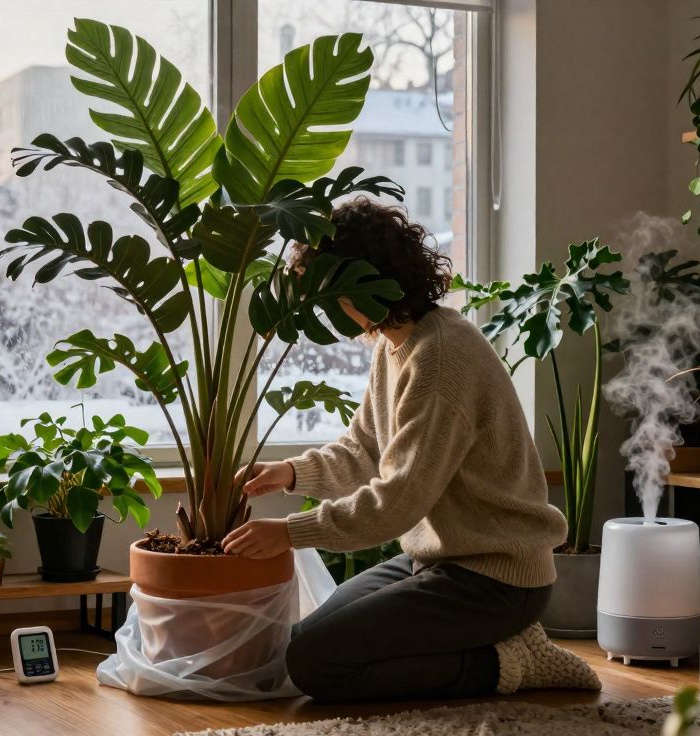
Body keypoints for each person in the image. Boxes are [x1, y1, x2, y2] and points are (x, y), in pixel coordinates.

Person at [222, 197, 601, 702]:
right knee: (304, 643)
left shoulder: (441, 358)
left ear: (360, 280)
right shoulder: (394, 344)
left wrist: (290, 532)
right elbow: (364, 448)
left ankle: (507, 661)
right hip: (440, 562)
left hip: (497, 579)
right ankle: (489, 646)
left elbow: (398, 499)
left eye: (326, 290)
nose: (321, 305)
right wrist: (290, 473)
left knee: (316, 663)